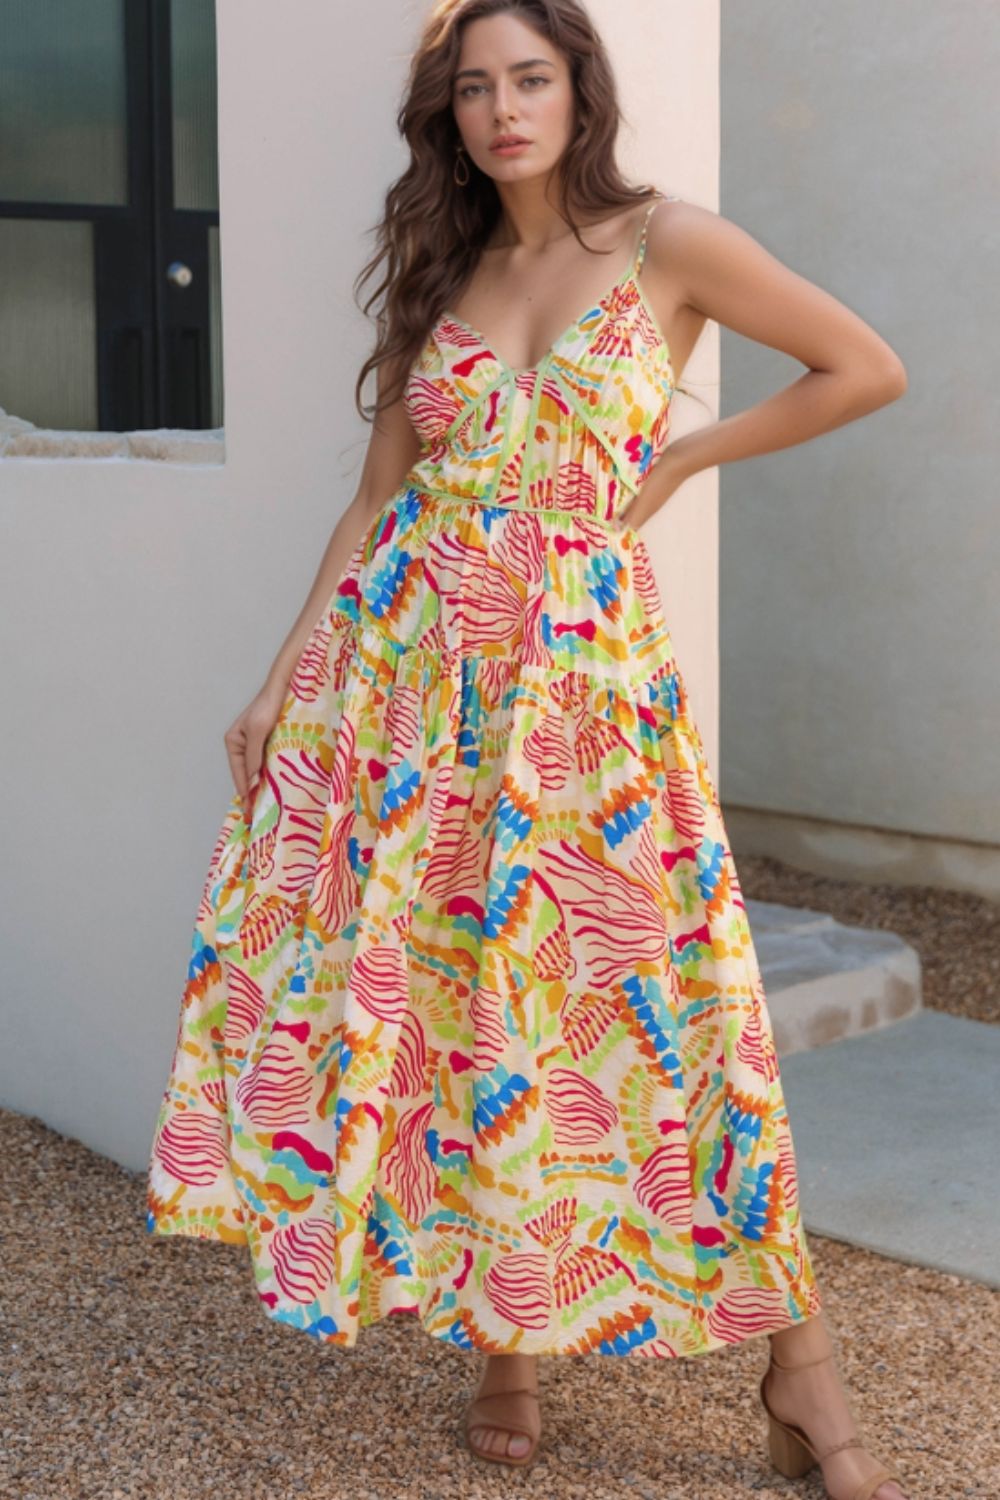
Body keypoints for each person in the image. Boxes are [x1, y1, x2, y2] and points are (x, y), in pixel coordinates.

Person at [146, 2, 910, 1495]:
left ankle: (803, 1370)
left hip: (587, 690)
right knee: (462, 998)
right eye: (476, 88)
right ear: (450, 114)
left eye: (531, 79)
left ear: (578, 91)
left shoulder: (670, 241)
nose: (505, 109)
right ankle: (504, 1342)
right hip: (413, 686)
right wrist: (281, 677)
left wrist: (682, 455)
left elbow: (862, 367)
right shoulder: (445, 271)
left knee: (676, 1004)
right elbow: (379, 498)